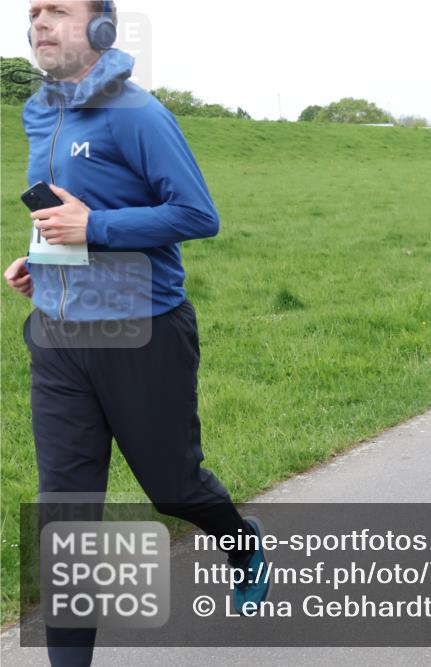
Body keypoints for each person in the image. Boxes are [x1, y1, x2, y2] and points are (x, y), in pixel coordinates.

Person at [4, 3, 269, 663]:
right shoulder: (39, 112)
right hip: (59, 338)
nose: (39, 21)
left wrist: (94, 231)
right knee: (66, 515)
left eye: (57, 10)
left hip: (142, 333)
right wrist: (39, 258)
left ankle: (243, 542)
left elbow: (196, 214)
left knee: (173, 486)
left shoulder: (140, 114)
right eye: (33, 11)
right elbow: (61, 206)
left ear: (101, 28)